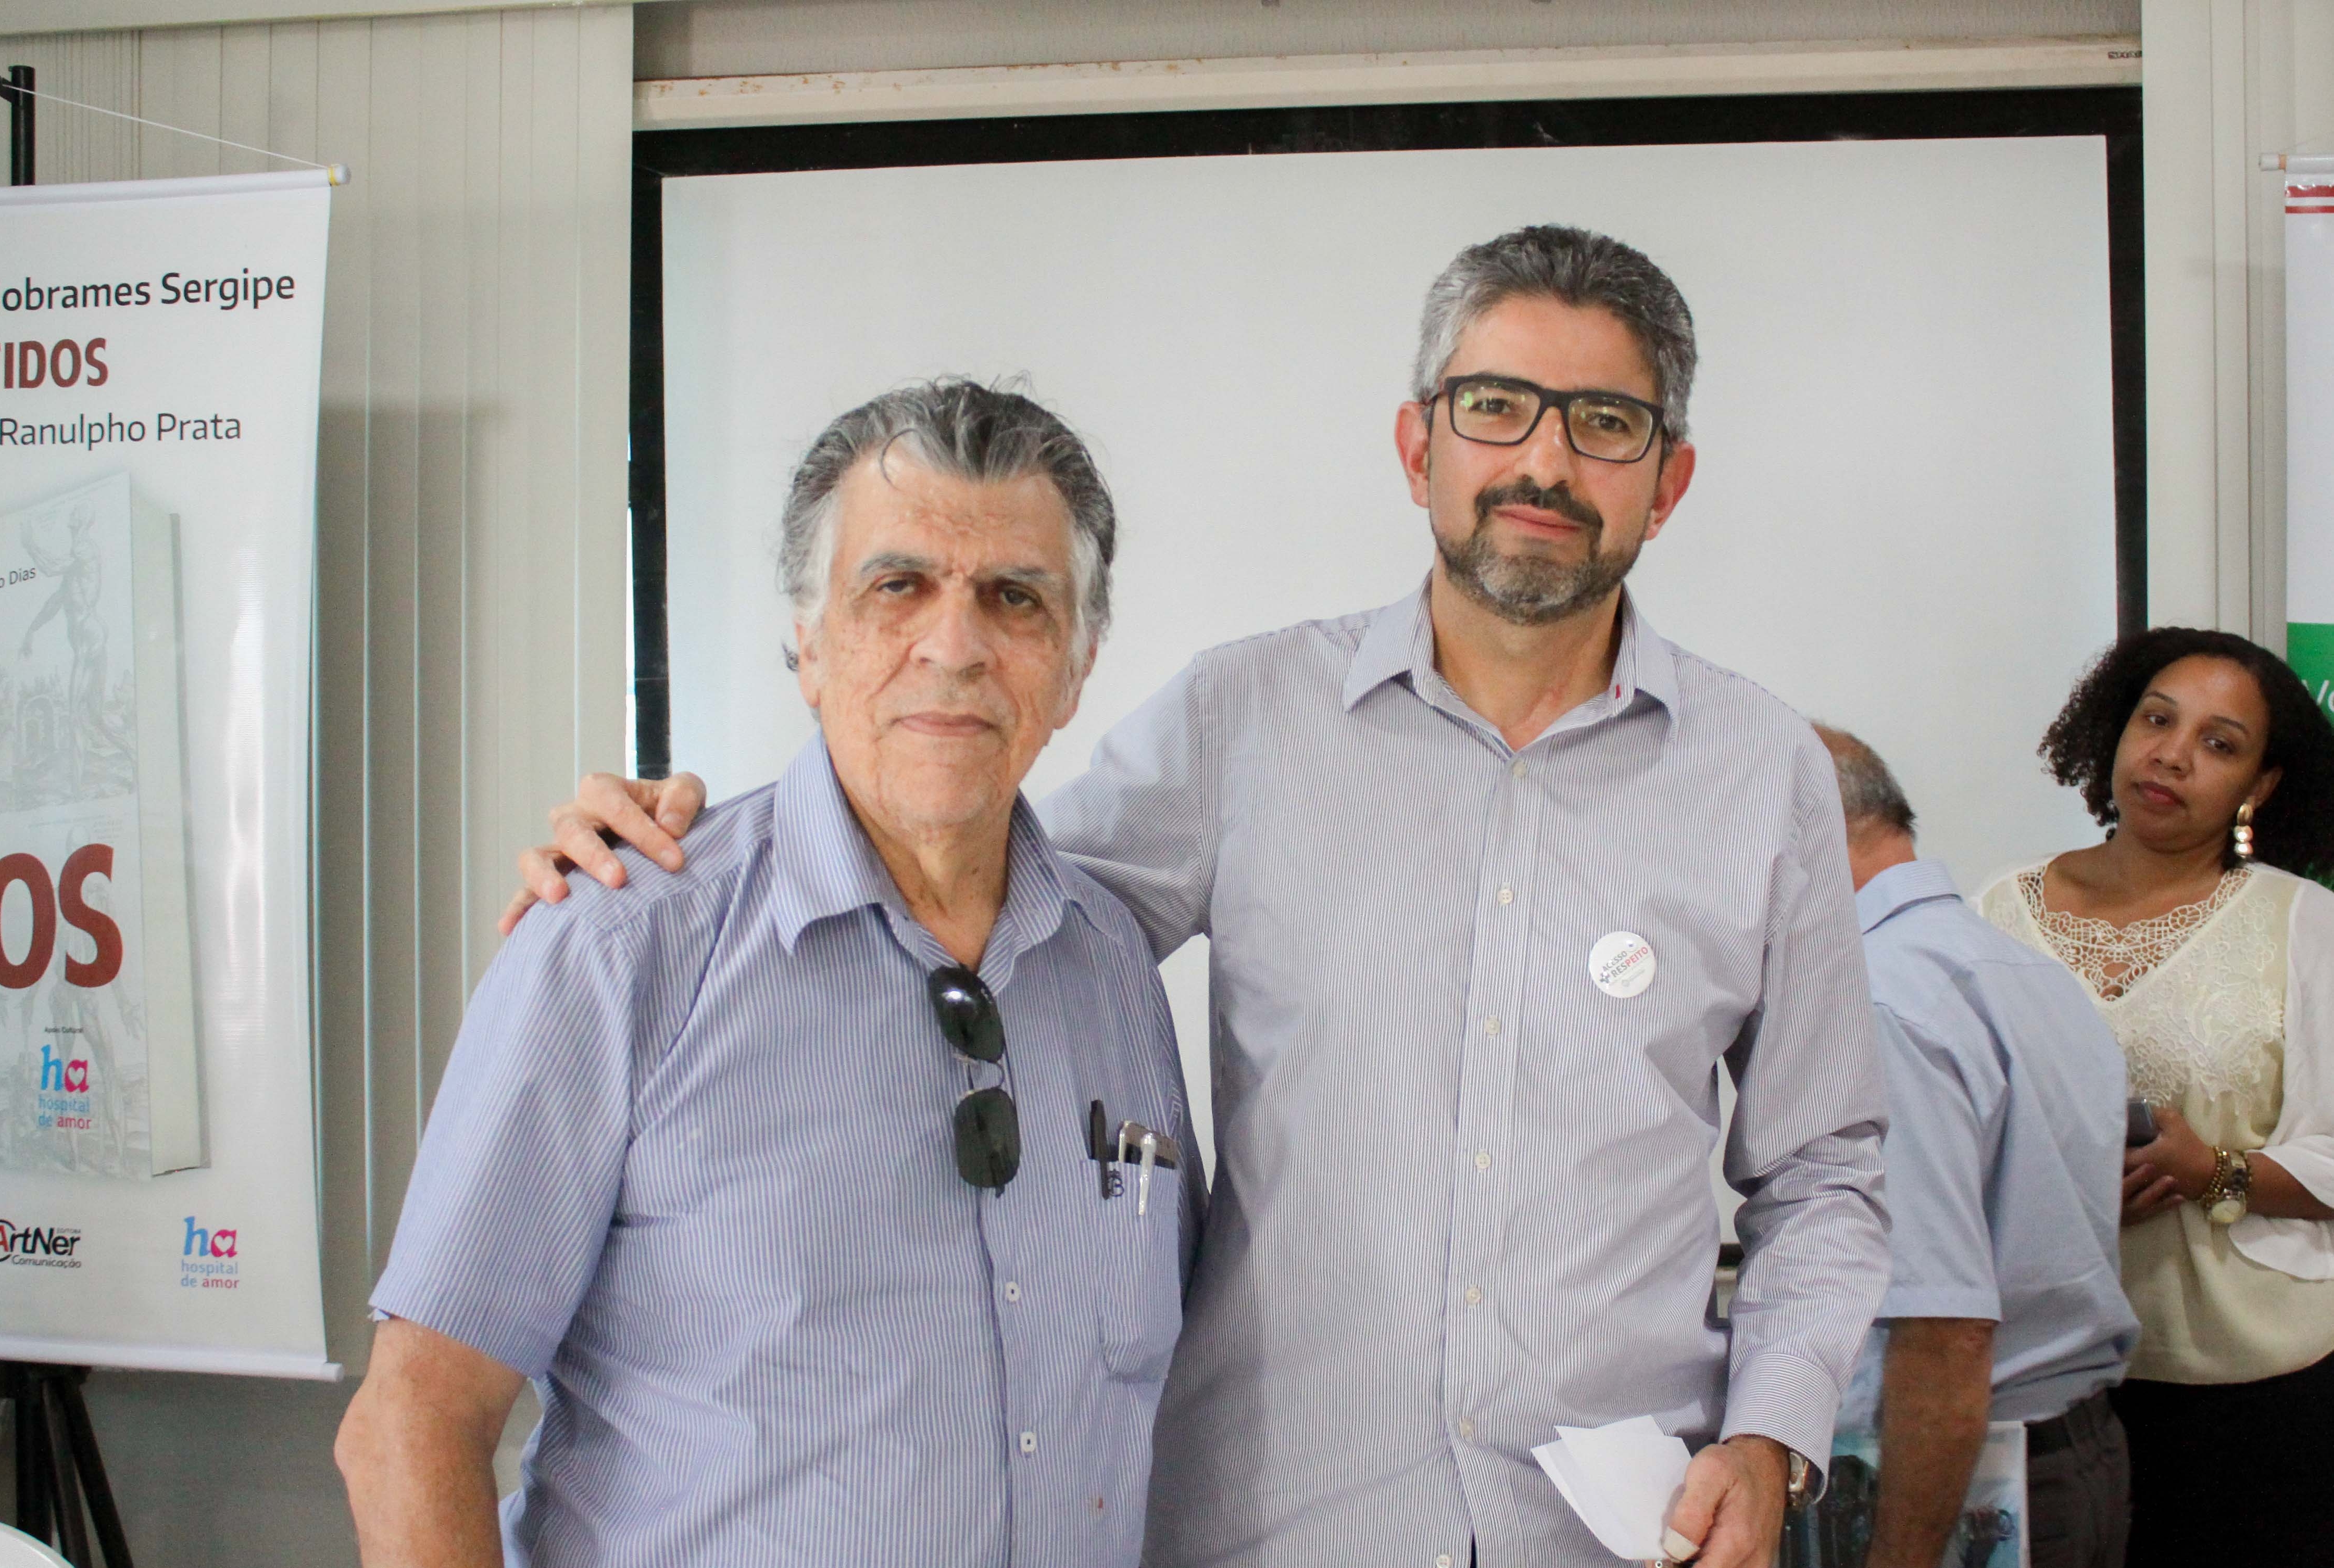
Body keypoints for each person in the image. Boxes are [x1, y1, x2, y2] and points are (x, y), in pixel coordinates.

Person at [512, 225, 1890, 1568]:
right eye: (1494, 407)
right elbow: (951, 886)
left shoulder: (1760, 770)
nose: (1543, 460)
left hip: (1620, 1531)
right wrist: (688, 848)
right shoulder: (1247, 718)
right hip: (1280, 1521)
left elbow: (1822, 1169)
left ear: (1670, 478)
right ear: (1418, 446)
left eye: (1604, 422)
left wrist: (1770, 1433)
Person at [334, 381, 1202, 1567]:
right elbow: (411, 1425)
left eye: (1016, 598)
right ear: (808, 642)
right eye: (897, 587)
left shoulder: (1112, 970)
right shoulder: (621, 948)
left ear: (1077, 663)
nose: (954, 646)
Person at [1975, 628, 2334, 1568]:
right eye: (2156, 721)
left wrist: (2211, 1169)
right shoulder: (1997, 912)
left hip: (2249, 1395)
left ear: (2259, 787)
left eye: (2218, 744)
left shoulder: (2305, 924)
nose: (2172, 755)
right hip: (2038, 1385)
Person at [1814, 726, 2137, 1568]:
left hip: (1952, 1479)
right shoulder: (2018, 969)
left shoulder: (1880, 1003)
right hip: (2069, 1455)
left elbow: (1944, 1331)